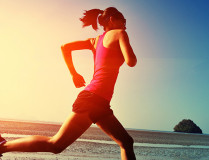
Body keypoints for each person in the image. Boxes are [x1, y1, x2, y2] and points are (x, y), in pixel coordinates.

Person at [0, 7, 137, 160]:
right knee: (55, 144)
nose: (125, 25)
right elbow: (131, 61)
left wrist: (74, 74)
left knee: (126, 141)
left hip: (100, 102)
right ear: (112, 20)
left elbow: (65, 47)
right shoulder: (120, 33)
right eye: (123, 21)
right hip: (93, 99)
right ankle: (2, 146)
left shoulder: (94, 41)